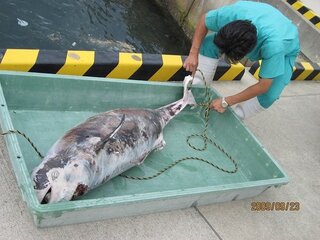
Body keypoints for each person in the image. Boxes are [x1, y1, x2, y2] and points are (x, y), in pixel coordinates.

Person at [183, 0, 300, 119]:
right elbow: (204, 20)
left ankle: (237, 116)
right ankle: (197, 90)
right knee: (208, 45)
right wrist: (193, 54)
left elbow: (263, 86)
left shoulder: (274, 47)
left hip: (286, 40)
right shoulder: (232, 14)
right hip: (258, 15)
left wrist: (226, 101)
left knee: (270, 95)